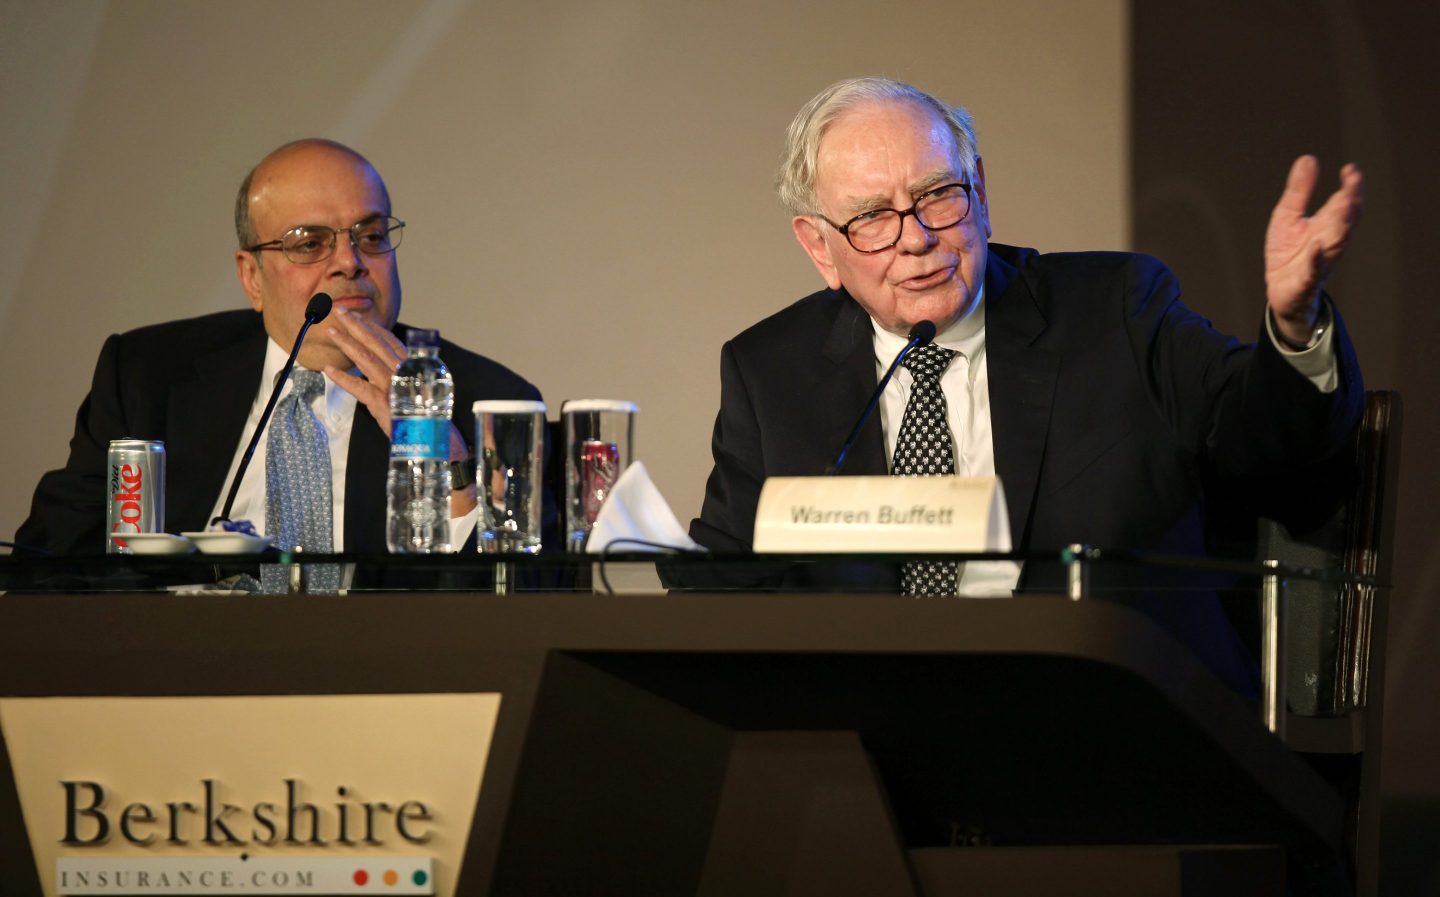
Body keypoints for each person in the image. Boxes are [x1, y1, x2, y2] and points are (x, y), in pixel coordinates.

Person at [687, 78, 1365, 692]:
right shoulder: (771, 373)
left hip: (1115, 736)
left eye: (937, 196)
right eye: (870, 217)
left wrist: (1292, 325)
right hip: (875, 751)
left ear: (980, 191)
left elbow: (1270, 453)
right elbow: (722, 595)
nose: (915, 236)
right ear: (817, 247)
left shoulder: (1116, 311)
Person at [17, 138, 542, 556]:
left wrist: (446, 463)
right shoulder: (148, 378)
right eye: (311, 243)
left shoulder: (488, 401)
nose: (349, 261)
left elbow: (520, 601)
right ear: (252, 277)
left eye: (372, 235)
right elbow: (51, 558)